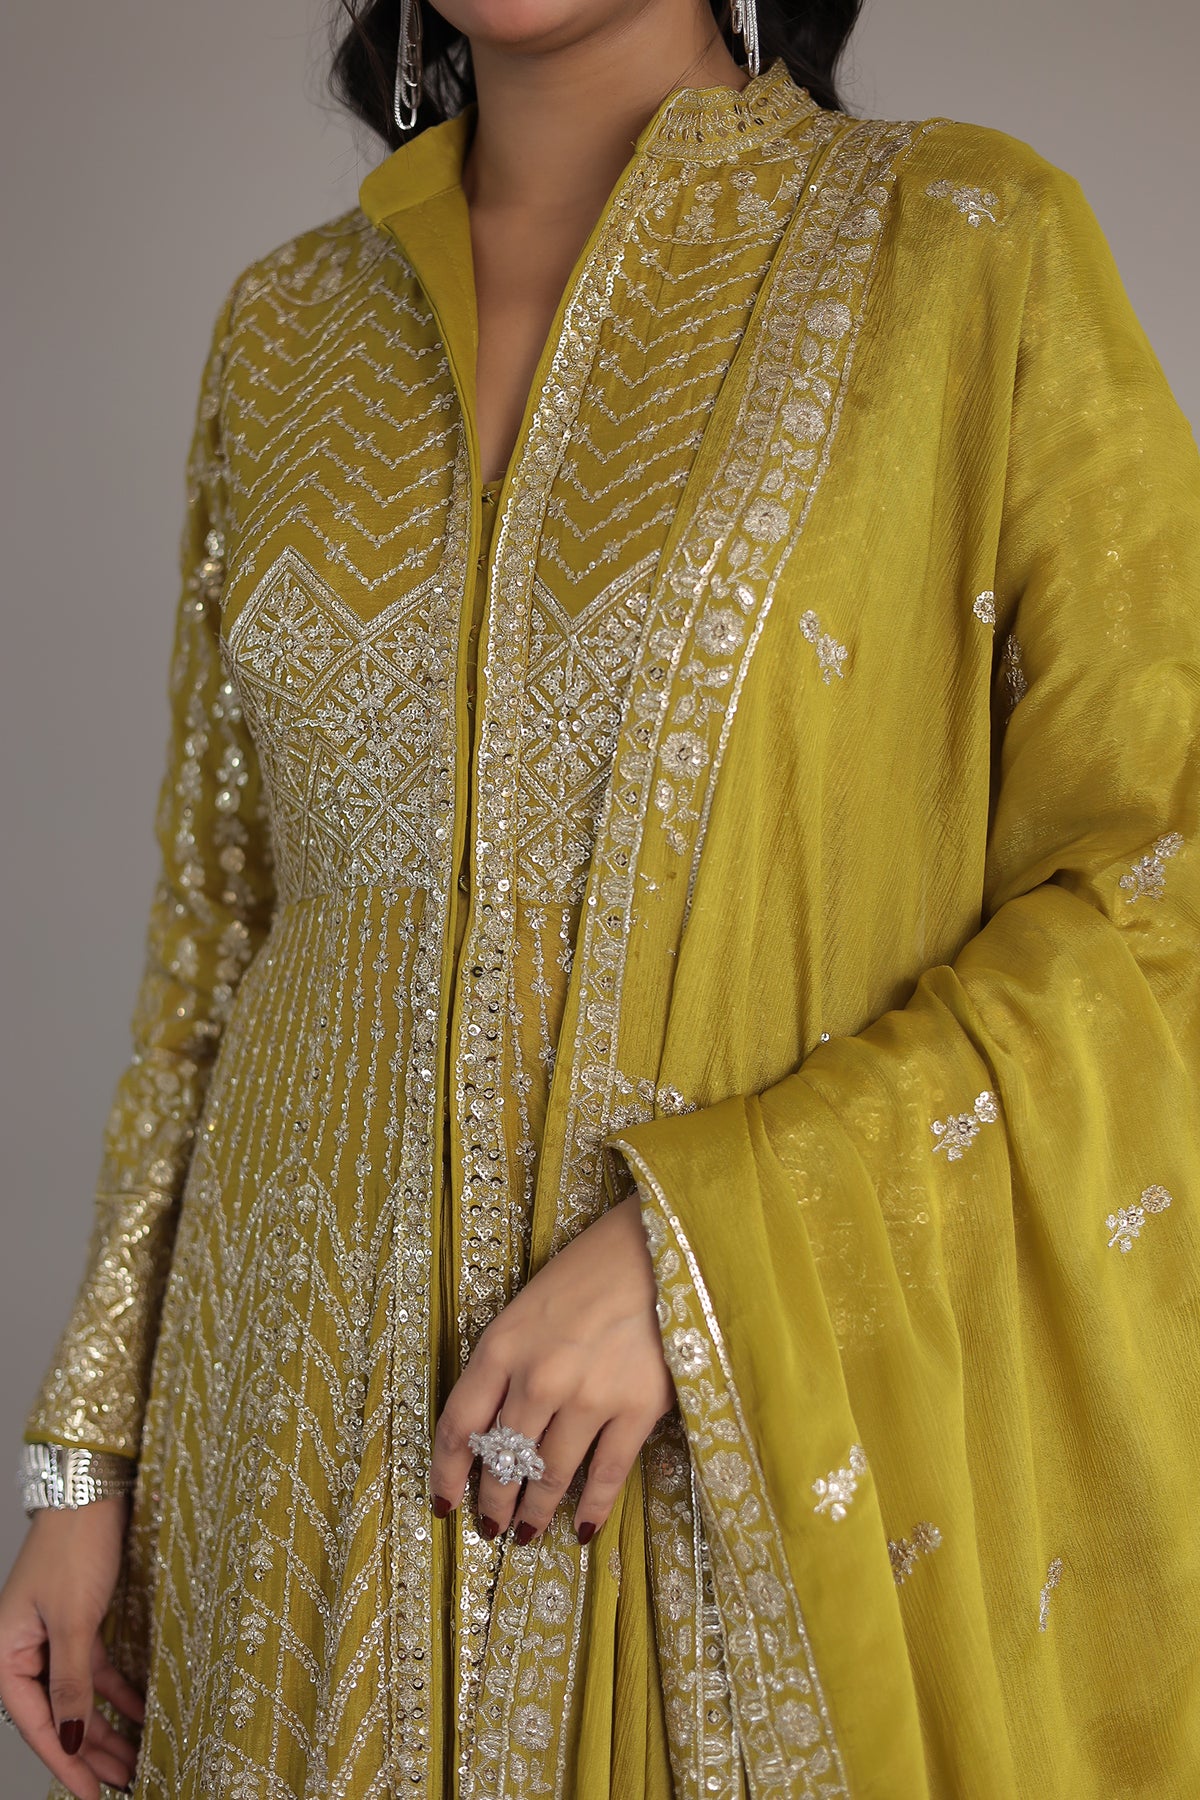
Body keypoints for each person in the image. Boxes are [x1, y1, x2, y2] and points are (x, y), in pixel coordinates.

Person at [2, 0, 1198, 1794]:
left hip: (718, 1491)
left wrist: (705, 1253)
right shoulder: (286, 330)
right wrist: (84, 1457)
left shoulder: (960, 253)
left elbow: (1158, 876)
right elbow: (218, 948)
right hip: (283, 1512)